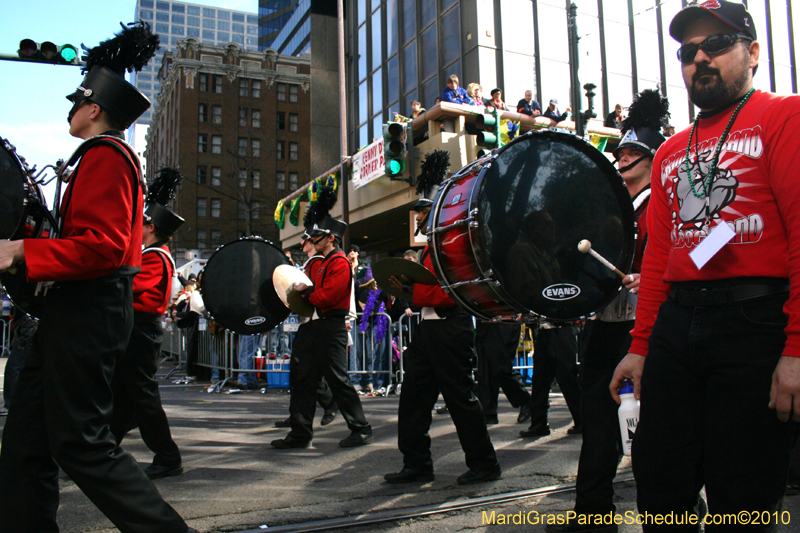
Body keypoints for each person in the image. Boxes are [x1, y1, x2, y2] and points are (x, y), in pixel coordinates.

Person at [610, 2, 800, 528]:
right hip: (677, 324)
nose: (700, 58)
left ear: (753, 52)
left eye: (716, 44)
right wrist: (641, 347)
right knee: (660, 486)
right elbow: (658, 260)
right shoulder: (670, 152)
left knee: (743, 498)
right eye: (688, 51)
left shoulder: (786, 117)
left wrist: (797, 349)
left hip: (756, 321)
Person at [0, 22, 193, 533]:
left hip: (89, 313)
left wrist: (24, 249)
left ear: (93, 109)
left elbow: (104, 248)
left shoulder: (106, 154)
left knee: (81, 443)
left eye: (76, 101)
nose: (69, 109)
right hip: (75, 312)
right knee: (24, 444)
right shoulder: (95, 157)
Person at [547, 89, 669, 533]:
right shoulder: (612, 209)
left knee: (652, 428)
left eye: (633, 152)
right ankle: (593, 515)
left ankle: (678, 513)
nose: (621, 159)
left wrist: (650, 276)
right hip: (607, 325)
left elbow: (678, 256)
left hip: (646, 327)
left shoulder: (661, 203)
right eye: (620, 152)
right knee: (600, 423)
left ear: (654, 157)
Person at [384, 149, 500, 485]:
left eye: (422, 211)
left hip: (452, 328)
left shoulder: (452, 244)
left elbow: (453, 290)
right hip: (429, 329)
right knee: (413, 400)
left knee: (461, 400)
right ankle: (416, 463)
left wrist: (412, 289)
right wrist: (406, 286)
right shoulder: (429, 248)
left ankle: (485, 463)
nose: (417, 218)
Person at [271, 184, 373, 449]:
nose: (312, 240)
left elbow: (326, 297)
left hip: (331, 327)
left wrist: (305, 294)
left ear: (330, 238)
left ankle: (360, 428)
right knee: (302, 381)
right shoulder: (318, 262)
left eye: (318, 237)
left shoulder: (339, 262)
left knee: (339, 380)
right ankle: (300, 432)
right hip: (312, 327)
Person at [109, 167, 186, 480]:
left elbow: (133, 288)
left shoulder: (156, 257)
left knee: (141, 397)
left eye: (140, 223)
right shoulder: (150, 252)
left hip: (142, 329)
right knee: (123, 397)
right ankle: (97, 453)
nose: (135, 228)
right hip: (136, 328)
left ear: (151, 228)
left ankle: (168, 456)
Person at [274, 231, 338, 428]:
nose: (302, 243)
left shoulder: (323, 262)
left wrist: (348, 317)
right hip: (309, 321)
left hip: (322, 322)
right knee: (301, 371)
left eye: (306, 240)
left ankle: (347, 416)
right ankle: (299, 418)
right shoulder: (311, 263)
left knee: (331, 374)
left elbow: (332, 292)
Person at [475, 322, 531, 425]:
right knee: (485, 370)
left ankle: (525, 400)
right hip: (486, 320)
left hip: (505, 320)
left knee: (501, 367)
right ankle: (488, 413)